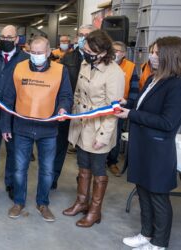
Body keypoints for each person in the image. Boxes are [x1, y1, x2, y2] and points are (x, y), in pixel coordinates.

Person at [119, 37, 181, 250]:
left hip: (158, 151)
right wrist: (128, 104)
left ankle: (159, 243)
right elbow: (143, 106)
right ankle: (146, 234)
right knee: (143, 193)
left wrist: (131, 114)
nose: (152, 56)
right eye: (152, 52)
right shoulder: (153, 79)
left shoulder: (176, 87)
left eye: (158, 53)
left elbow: (167, 122)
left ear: (171, 56)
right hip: (142, 147)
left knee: (158, 197)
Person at [2, 36, 73, 221]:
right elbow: (9, 98)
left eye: (40, 53)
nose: (36, 56)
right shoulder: (19, 68)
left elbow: (66, 95)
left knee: (47, 170)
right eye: (33, 52)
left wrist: (63, 107)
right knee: (19, 169)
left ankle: (43, 203)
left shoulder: (60, 70)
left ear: (49, 52)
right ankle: (18, 202)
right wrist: (5, 125)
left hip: (48, 129)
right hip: (22, 127)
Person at [64, 30, 124, 227]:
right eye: (85, 49)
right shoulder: (85, 63)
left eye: (90, 50)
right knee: (83, 166)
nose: (86, 52)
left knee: (98, 170)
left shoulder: (114, 72)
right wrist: (71, 113)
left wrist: (104, 136)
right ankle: (82, 202)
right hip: (82, 125)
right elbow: (78, 94)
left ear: (102, 52)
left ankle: (95, 211)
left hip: (99, 128)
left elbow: (113, 109)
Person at [0, 25, 29, 200]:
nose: (6, 40)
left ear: (17, 39)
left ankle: (10, 183)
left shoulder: (26, 59)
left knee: (12, 150)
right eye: (3, 37)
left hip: (15, 114)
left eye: (10, 37)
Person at [52, 24, 97, 189]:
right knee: (59, 145)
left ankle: (83, 184)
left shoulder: (99, 59)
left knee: (86, 150)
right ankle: (52, 178)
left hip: (89, 112)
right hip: (67, 108)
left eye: (88, 34)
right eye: (81, 34)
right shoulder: (68, 58)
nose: (83, 37)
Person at [106, 41, 137, 176]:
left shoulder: (131, 67)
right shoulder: (104, 63)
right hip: (102, 107)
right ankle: (98, 160)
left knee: (115, 135)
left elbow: (135, 89)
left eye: (117, 50)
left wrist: (128, 104)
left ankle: (112, 162)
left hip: (119, 109)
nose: (114, 53)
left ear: (123, 53)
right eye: (112, 50)